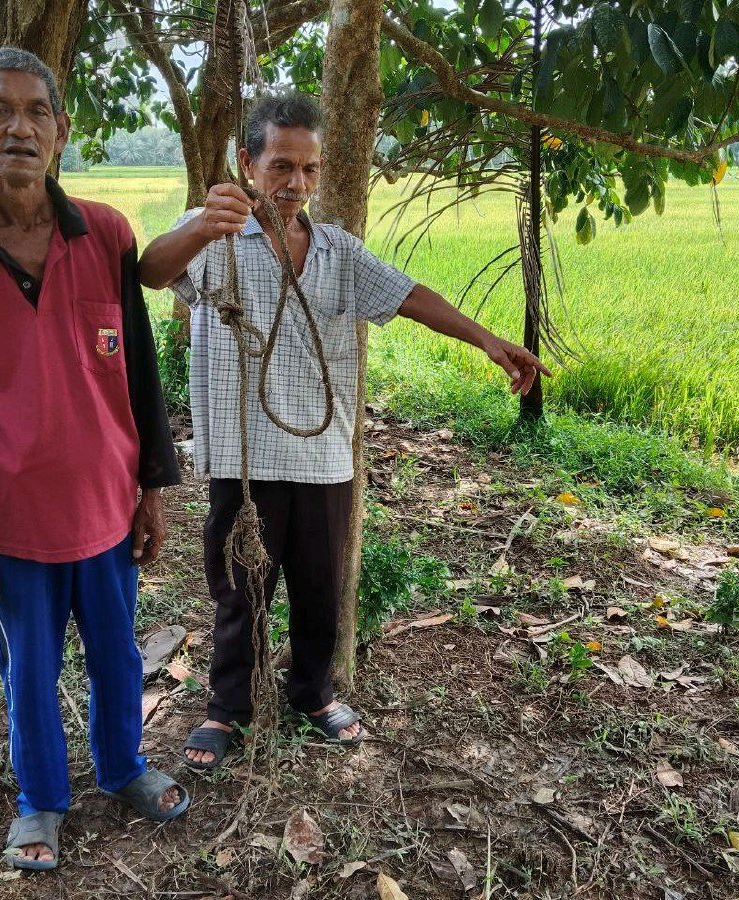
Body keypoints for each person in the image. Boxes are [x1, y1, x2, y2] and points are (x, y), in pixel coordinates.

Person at [138, 93, 551, 770]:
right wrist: (202, 228)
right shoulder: (217, 236)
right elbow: (152, 271)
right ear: (247, 163)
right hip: (245, 457)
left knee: (319, 587)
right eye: (280, 166)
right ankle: (229, 707)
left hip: (323, 456)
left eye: (308, 169)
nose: (294, 183)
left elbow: (407, 295)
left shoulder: (335, 251)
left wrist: (486, 339)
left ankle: (313, 693)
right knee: (239, 590)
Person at [0, 47, 188, 871]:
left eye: (36, 112)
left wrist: (152, 488)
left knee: (117, 654)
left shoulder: (106, 232)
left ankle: (123, 766)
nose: (18, 128)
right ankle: (40, 800)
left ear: (61, 130)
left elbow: (138, 369)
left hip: (105, 503)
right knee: (28, 668)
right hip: (10, 516)